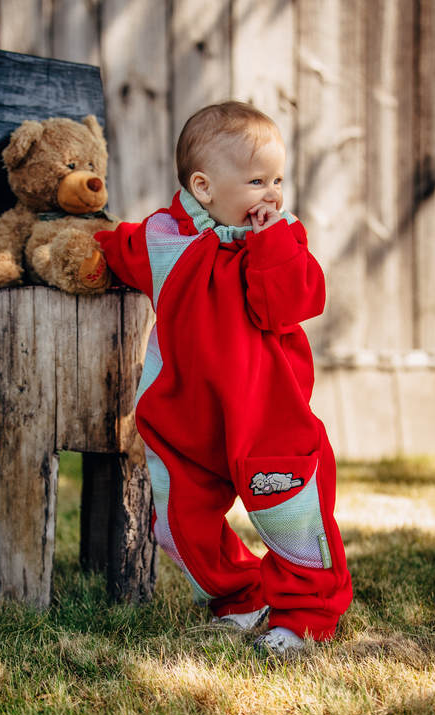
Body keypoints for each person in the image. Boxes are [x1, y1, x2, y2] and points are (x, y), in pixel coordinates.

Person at [94, 101, 352, 656]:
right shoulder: (164, 240)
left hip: (266, 417)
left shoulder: (280, 241)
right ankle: (239, 597)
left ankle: (304, 617)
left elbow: (292, 303)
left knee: (292, 517)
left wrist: (270, 240)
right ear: (204, 187)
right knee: (178, 524)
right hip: (184, 420)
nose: (272, 193)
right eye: (257, 180)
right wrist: (75, 245)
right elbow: (114, 248)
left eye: (278, 179)